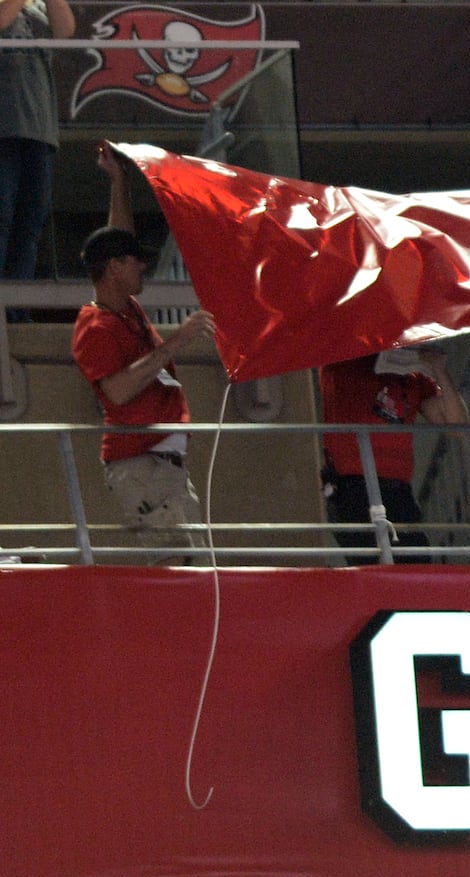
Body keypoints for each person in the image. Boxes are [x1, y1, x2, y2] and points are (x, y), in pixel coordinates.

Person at [70, 143, 216, 565]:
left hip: (160, 463)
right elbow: (116, 390)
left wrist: (119, 182)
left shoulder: (123, 307)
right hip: (140, 464)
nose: (144, 268)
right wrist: (177, 341)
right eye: (135, 262)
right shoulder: (95, 326)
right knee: (180, 572)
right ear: (115, 268)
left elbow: (119, 238)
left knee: (192, 567)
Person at [320, 346, 468, 563]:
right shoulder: (343, 359)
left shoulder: (414, 377)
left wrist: (438, 370)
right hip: (351, 486)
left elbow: (457, 426)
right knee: (374, 567)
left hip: (398, 490)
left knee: (416, 565)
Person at [0, 0, 74, 320]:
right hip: (4, 124)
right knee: (1, 217)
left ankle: (17, 310)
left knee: (28, 226)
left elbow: (66, 30)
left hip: (39, 128)